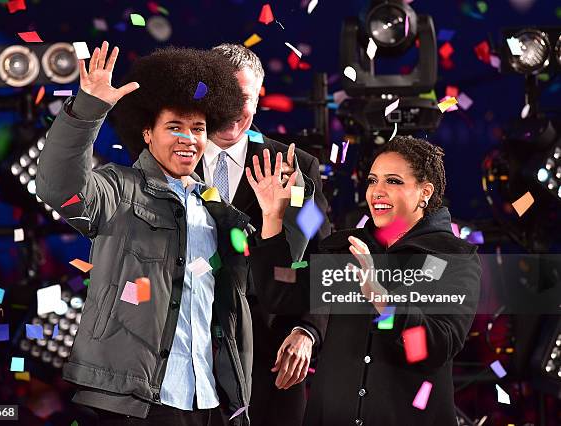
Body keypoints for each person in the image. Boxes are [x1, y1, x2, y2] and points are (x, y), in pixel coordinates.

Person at [36, 42, 254, 426]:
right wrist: (87, 108)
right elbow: (57, 186)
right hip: (135, 401)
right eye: (174, 127)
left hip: (208, 399)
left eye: (198, 128)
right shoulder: (119, 189)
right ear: (148, 134)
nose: (188, 138)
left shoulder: (218, 211)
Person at [245, 136, 482, 425]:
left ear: (425, 193)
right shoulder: (344, 247)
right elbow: (282, 293)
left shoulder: (454, 257)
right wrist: (273, 218)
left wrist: (383, 301)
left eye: (393, 181)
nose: (377, 192)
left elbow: (434, 347)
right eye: (372, 180)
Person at [196, 43, 331, 426]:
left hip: (271, 355)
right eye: (223, 95)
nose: (233, 109)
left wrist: (308, 330)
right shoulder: (171, 159)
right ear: (202, 92)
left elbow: (322, 257)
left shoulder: (296, 168)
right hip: (182, 354)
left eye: (245, 97)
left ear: (258, 99)